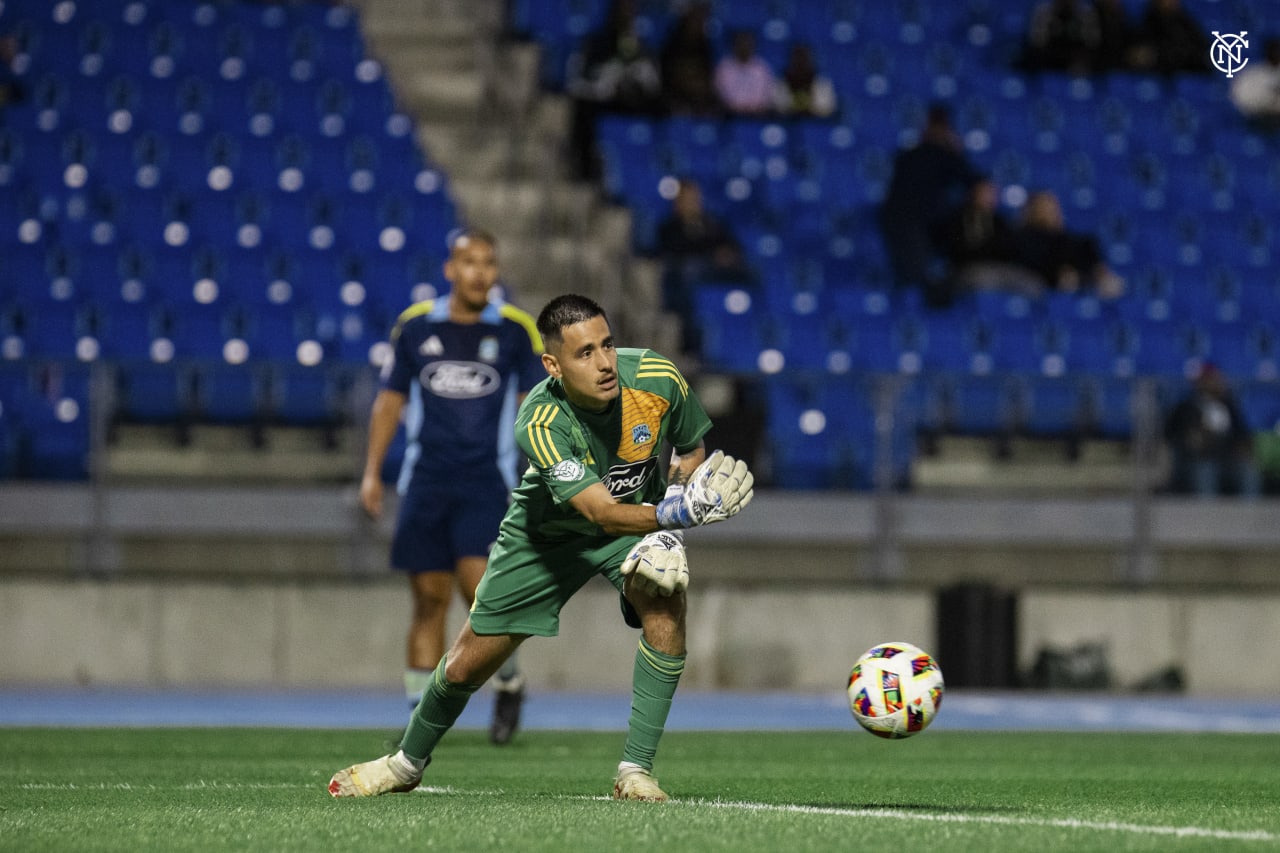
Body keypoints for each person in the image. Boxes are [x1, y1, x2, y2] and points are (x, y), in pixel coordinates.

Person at [329, 293, 755, 801]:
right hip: (545, 537)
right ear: (552, 365)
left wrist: (674, 514)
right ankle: (406, 763)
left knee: (666, 602)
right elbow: (597, 511)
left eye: (607, 345)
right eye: (584, 354)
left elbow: (689, 449)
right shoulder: (540, 420)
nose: (603, 364)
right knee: (467, 662)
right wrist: (675, 514)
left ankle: (635, 772)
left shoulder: (659, 378)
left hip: (633, 524)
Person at [360, 228, 545, 746]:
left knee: (481, 596)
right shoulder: (416, 327)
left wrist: (542, 470)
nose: (480, 273)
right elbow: (390, 401)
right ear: (450, 269)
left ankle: (508, 682)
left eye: (488, 263)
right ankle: (422, 719)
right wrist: (373, 471)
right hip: (427, 480)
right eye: (469, 262)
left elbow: (534, 403)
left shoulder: (514, 329)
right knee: (426, 599)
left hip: (487, 480)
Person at [878, 104, 982, 305]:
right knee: (913, 276)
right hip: (908, 221)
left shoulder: (915, 154)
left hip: (909, 221)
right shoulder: (928, 154)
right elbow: (975, 183)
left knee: (915, 274)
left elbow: (975, 184)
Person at [565, 0, 663, 179]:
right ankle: (586, 169)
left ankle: (658, 165)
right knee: (584, 110)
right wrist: (606, 82)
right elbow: (578, 83)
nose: (627, 15)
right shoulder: (597, 42)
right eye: (623, 10)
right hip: (602, 99)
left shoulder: (641, 44)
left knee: (663, 108)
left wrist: (636, 78)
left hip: (631, 102)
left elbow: (653, 82)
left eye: (631, 11)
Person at [654, 177, 753, 353]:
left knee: (750, 270)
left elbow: (730, 245)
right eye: (686, 198)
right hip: (686, 277)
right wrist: (710, 254)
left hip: (715, 272)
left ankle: (751, 329)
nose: (691, 202)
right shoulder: (668, 227)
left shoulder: (712, 223)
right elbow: (675, 252)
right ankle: (692, 343)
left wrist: (726, 255)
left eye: (694, 198)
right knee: (690, 271)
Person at [1163, 364, 1262, 498]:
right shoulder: (1186, 407)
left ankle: (1249, 515)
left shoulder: (1228, 405)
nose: (1214, 382)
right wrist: (1191, 440)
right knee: (1206, 472)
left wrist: (1243, 448)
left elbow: (1242, 433)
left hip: (1228, 458)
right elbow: (1172, 433)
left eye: (1215, 379)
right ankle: (1208, 516)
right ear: (1200, 382)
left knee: (1247, 472)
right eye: (1209, 379)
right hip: (1199, 459)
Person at [933, 177, 1039, 300]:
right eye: (984, 192)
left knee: (1033, 284)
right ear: (974, 193)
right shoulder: (958, 220)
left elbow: (1010, 249)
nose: (989, 197)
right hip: (969, 269)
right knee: (981, 279)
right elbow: (958, 249)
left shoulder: (1000, 221)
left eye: (991, 193)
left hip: (1000, 268)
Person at [1015, 190, 1126, 298]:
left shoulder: (1073, 241)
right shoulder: (1023, 239)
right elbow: (1031, 266)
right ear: (1033, 210)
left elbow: (1093, 265)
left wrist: (1093, 275)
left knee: (1112, 285)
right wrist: (1059, 276)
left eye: (1053, 206)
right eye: (1044, 206)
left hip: (1082, 283)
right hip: (1042, 288)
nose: (1051, 211)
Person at [659, 1, 719, 116]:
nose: (697, 26)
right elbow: (668, 74)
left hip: (699, 95)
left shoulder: (705, 47)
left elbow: (708, 75)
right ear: (685, 22)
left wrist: (698, 85)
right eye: (694, 22)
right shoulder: (672, 45)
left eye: (700, 22)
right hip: (675, 94)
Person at [1127, 0, 1210, 74]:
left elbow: (1202, 46)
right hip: (1162, 73)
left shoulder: (1185, 22)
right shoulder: (1148, 24)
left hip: (1186, 70)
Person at [1020, 0, 1102, 74]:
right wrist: (1049, 23)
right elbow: (1036, 42)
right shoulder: (1044, 12)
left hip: (1075, 62)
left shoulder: (1085, 13)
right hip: (1047, 60)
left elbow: (1092, 43)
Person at [714, 30, 776, 116]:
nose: (744, 47)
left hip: (758, 115)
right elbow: (720, 93)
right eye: (740, 44)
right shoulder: (724, 67)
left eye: (747, 44)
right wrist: (736, 108)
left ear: (753, 46)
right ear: (734, 46)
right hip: (730, 115)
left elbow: (767, 93)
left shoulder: (762, 67)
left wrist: (755, 108)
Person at [773, 43, 837, 118]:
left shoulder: (821, 83)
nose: (801, 63)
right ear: (791, 61)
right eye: (797, 59)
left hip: (815, 124)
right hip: (788, 122)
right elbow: (779, 107)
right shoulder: (782, 82)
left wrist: (809, 109)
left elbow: (826, 108)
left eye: (804, 59)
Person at [1230, 37, 1280, 128]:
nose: (1276, 54)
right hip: (1256, 119)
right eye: (1274, 51)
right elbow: (1240, 99)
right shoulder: (1250, 75)